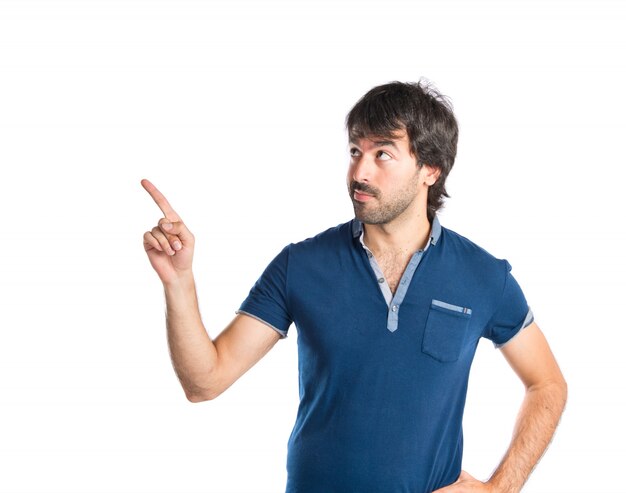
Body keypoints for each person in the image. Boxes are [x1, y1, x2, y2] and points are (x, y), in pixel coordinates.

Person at [141, 80, 567, 493]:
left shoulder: (483, 275)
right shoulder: (301, 265)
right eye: (355, 151)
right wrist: (179, 282)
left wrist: (501, 487)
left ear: (430, 170)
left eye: (383, 153)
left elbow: (547, 384)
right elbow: (205, 382)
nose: (360, 172)